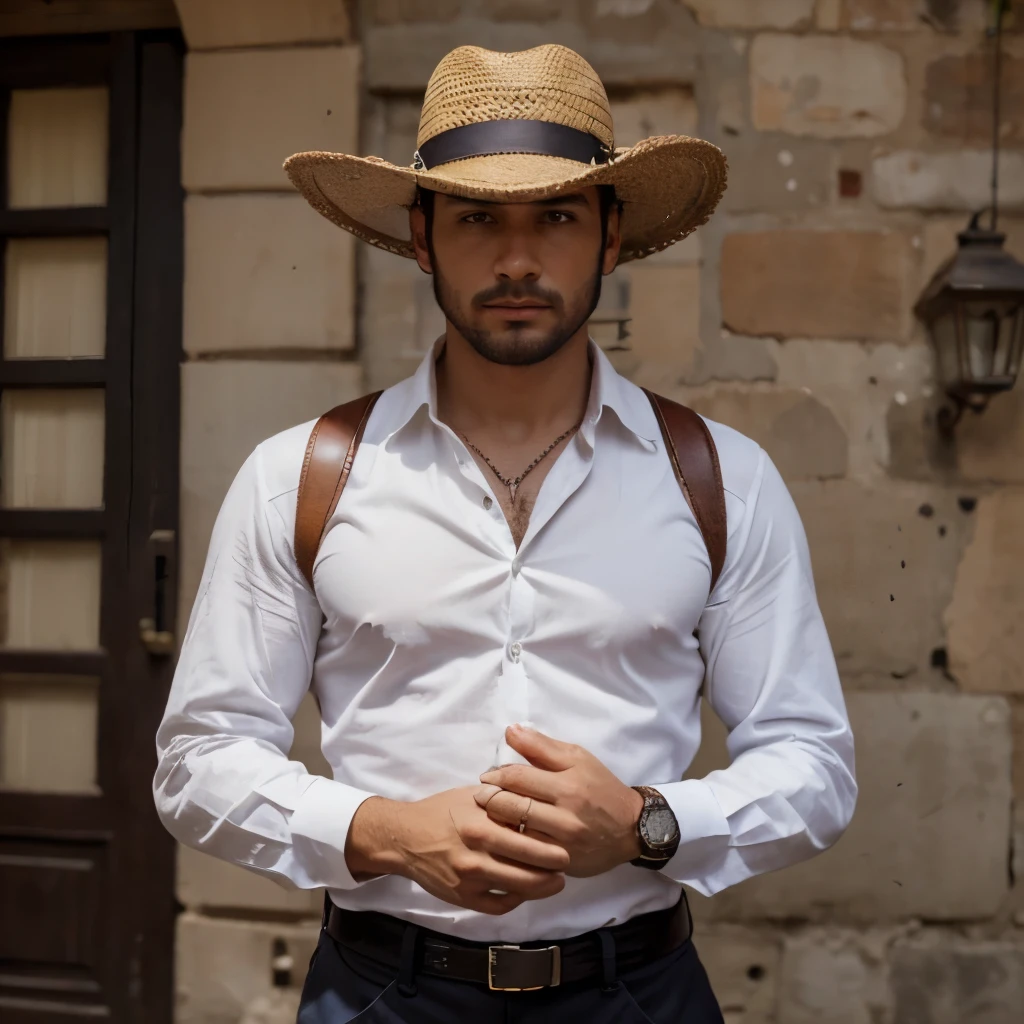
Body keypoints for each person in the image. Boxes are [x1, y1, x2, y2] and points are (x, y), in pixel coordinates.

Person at [154, 43, 857, 1023]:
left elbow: (813, 766)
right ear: (423, 236)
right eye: (478, 217)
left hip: (636, 996)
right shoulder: (302, 477)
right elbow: (198, 762)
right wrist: (385, 832)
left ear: (611, 236)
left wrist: (648, 824)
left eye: (557, 216)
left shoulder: (720, 478)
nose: (517, 259)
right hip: (378, 995)